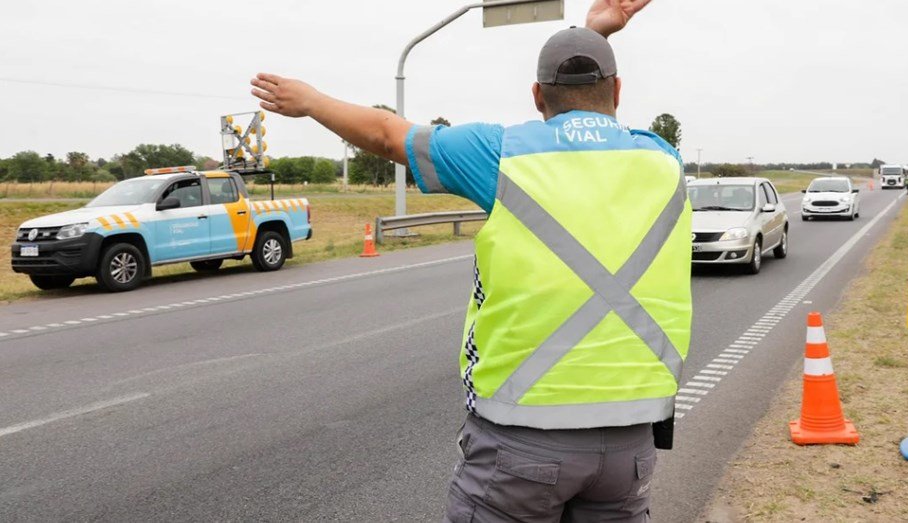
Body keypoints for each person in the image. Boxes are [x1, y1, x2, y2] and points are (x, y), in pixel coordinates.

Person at [250, 1, 690, 520]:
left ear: (536, 96)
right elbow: (600, 134)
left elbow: (389, 135)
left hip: (523, 444)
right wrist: (593, 37)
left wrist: (312, 100)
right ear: (618, 91)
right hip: (629, 447)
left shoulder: (501, 154)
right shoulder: (663, 158)